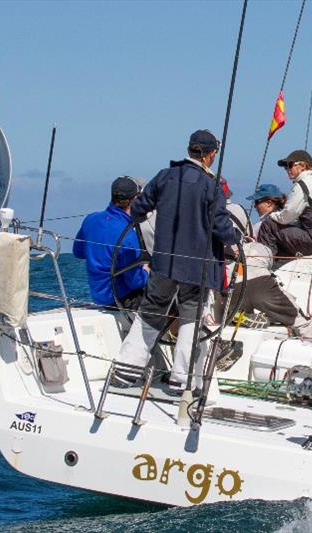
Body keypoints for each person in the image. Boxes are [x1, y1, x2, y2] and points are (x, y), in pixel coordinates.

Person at [114, 129, 238, 393]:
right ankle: (183, 378)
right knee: (191, 319)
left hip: (164, 263)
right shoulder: (210, 185)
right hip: (197, 268)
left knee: (150, 314)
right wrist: (235, 240)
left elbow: (138, 209)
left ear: (190, 149)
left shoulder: (165, 176)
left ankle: (125, 371)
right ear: (210, 154)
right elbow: (220, 225)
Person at [73, 176, 149, 308]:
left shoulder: (91, 220)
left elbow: (78, 252)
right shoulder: (128, 235)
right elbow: (135, 282)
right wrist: (147, 270)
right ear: (136, 199)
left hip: (98, 296)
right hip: (121, 299)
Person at [226, 242, 312, 338]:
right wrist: (295, 309)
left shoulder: (237, 248)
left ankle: (239, 315)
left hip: (232, 284)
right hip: (260, 281)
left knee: (241, 309)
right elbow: (285, 297)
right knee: (295, 316)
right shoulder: (264, 249)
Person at [256, 150, 312, 257]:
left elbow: (287, 215)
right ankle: (280, 260)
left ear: (303, 166)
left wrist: (271, 215)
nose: (287, 169)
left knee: (268, 225)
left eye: (290, 165)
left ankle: (264, 262)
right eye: (286, 167)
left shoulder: (301, 186)